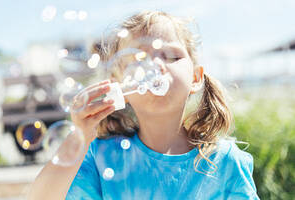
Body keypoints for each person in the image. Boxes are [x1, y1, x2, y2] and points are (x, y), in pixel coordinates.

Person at [28, 11, 260, 200]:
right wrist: (80, 135)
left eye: (171, 56)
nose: (155, 66)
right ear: (121, 88)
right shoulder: (101, 158)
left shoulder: (226, 161)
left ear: (196, 78)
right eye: (138, 61)